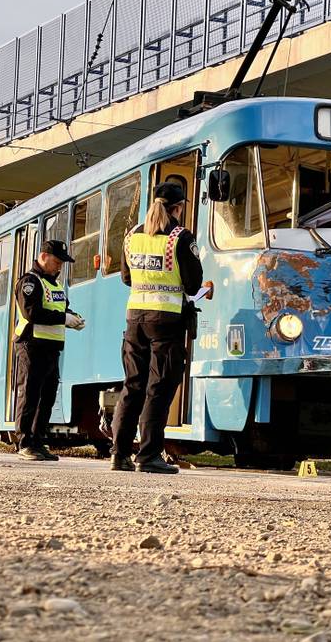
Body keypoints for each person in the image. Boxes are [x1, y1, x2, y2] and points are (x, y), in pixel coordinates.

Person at [110, 182, 203, 474]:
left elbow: (126, 278)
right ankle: (149, 455)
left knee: (132, 387)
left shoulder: (132, 236)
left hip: (134, 319)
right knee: (159, 388)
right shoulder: (180, 237)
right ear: (177, 208)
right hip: (165, 321)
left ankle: (119, 454)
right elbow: (193, 284)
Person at [13, 239, 86, 461]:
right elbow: (32, 314)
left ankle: (37, 441)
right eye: (57, 261)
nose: (60, 266)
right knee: (30, 394)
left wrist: (74, 317)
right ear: (43, 257)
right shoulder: (30, 282)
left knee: (47, 397)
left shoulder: (55, 286)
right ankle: (25, 443)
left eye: (62, 263)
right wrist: (64, 319)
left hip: (51, 348)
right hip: (31, 345)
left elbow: (61, 310)